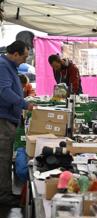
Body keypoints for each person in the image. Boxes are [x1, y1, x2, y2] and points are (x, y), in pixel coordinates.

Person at [0, 40, 34, 207]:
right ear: (15, 54)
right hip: (3, 118)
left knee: (4, 157)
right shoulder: (3, 66)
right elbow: (4, 91)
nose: (25, 60)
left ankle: (4, 192)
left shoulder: (9, 66)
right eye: (24, 57)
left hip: (7, 118)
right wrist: (24, 104)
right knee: (3, 157)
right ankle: (3, 196)